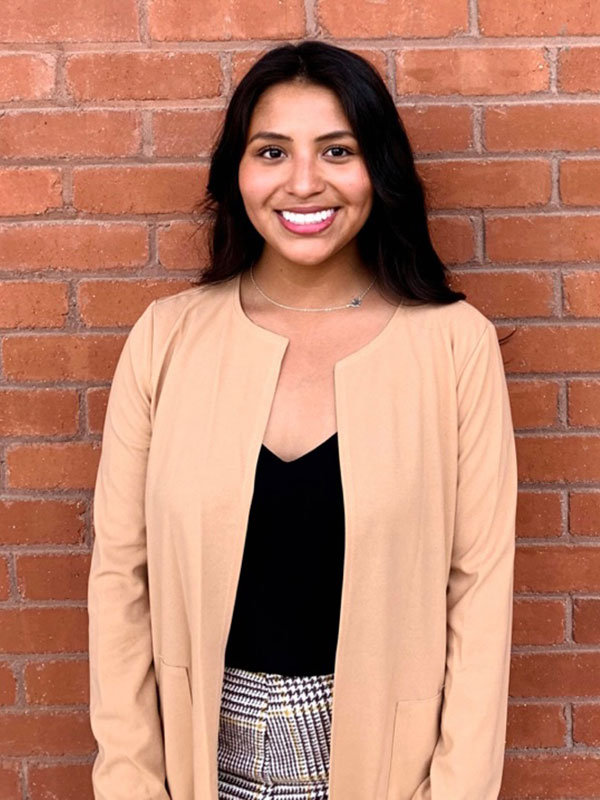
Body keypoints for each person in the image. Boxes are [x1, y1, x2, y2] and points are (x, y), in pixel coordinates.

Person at [88, 40, 518, 800]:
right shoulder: (166, 337)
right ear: (237, 171)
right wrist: (132, 783)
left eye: (337, 150)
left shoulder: (455, 345)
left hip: (385, 764)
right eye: (272, 151)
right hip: (198, 758)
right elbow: (122, 579)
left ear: (377, 167)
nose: (304, 182)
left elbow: (479, 592)